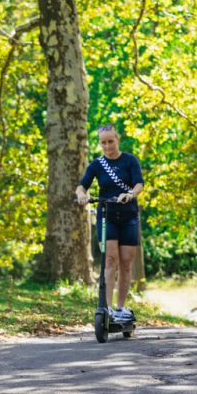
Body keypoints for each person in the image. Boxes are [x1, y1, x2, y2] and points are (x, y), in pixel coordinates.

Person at [75, 124, 144, 321]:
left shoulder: (130, 160)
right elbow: (82, 185)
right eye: (103, 142)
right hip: (107, 216)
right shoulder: (97, 164)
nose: (107, 146)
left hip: (129, 216)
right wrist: (81, 195)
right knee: (110, 260)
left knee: (126, 263)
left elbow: (139, 184)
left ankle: (121, 308)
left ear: (117, 139)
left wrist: (130, 193)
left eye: (110, 141)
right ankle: (106, 308)